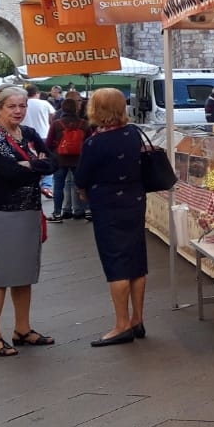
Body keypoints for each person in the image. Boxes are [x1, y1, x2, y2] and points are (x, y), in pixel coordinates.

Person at [0, 86, 55, 357]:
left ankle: (22, 329)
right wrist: (35, 165)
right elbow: (8, 173)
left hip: (28, 209)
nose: (18, 111)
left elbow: (53, 162)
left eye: (22, 106)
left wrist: (29, 166)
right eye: (12, 106)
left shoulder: (28, 133)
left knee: (23, 274)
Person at [74, 88, 150, 346]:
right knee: (137, 261)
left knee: (116, 263)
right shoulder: (133, 133)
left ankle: (122, 325)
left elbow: (81, 177)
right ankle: (137, 319)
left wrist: (83, 190)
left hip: (108, 205)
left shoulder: (95, 143)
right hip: (135, 200)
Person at [46, 99, 89, 222]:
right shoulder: (84, 123)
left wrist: (52, 153)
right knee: (81, 185)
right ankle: (87, 210)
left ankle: (57, 213)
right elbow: (89, 141)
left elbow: (48, 143)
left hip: (60, 159)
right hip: (79, 159)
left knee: (58, 187)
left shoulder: (57, 123)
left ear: (62, 108)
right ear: (77, 108)